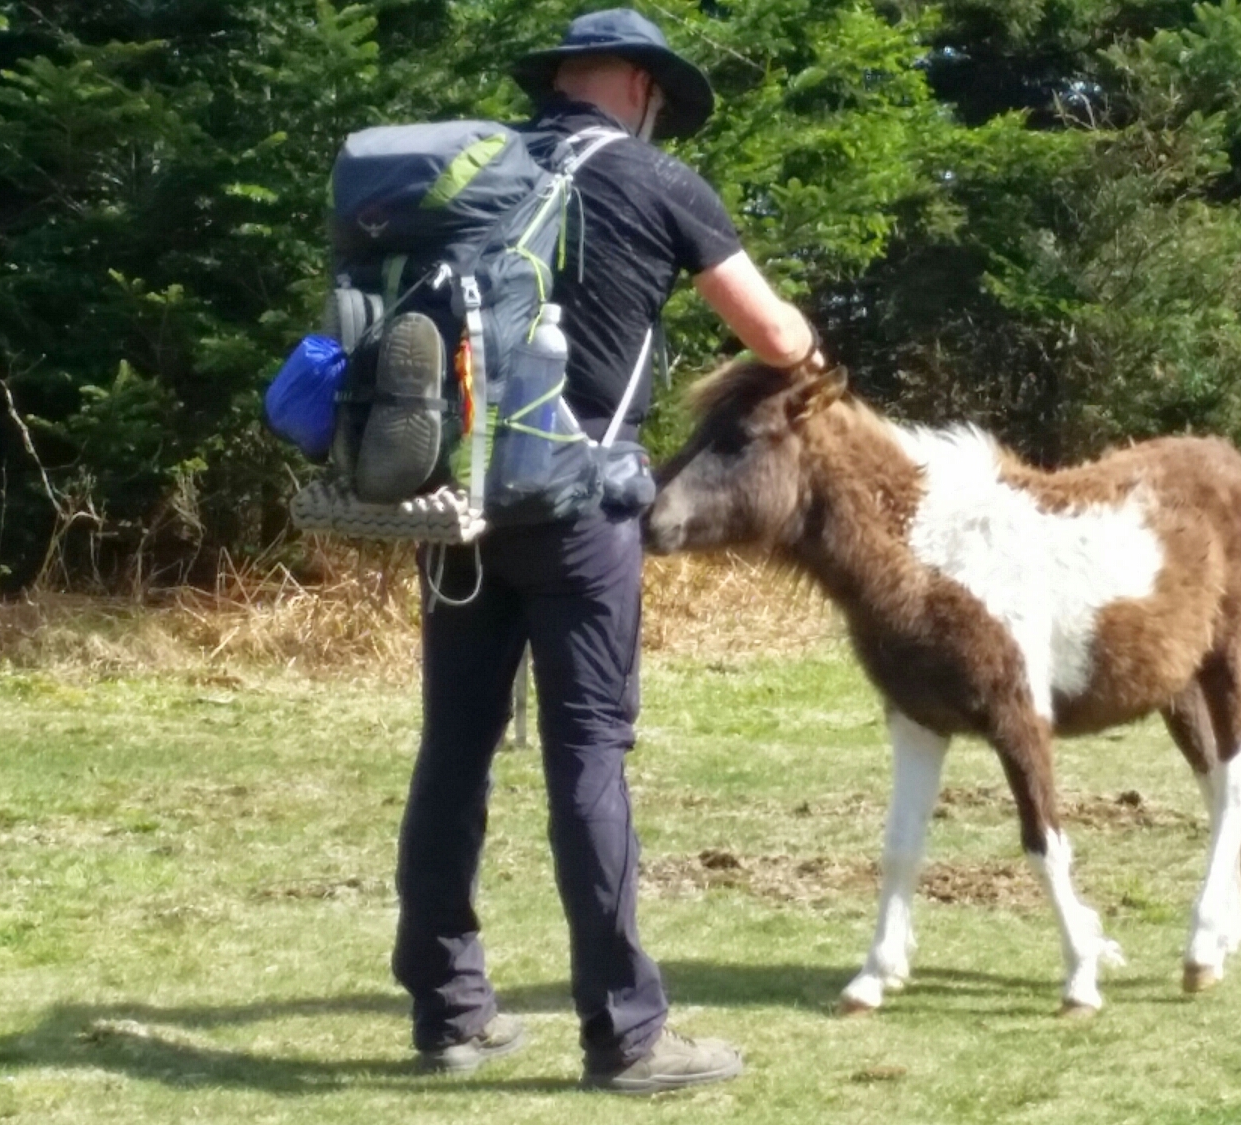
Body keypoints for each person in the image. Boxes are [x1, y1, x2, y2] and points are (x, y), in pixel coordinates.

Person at [391, 7, 827, 1095]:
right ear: (638, 84)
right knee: (586, 754)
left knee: (454, 748)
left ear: (560, 80)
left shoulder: (482, 171)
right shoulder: (653, 178)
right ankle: (626, 1035)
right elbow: (775, 337)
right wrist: (813, 350)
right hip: (582, 508)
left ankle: (448, 1015)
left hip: (460, 504)